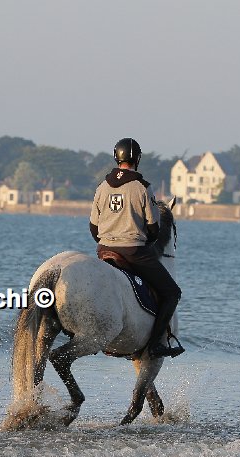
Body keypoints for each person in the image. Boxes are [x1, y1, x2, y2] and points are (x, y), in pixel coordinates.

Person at [89, 137, 184, 358]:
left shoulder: (102, 187)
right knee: (172, 292)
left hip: (104, 249)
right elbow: (153, 228)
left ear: (116, 157)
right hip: (133, 252)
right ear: (137, 159)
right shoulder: (142, 187)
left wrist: (106, 242)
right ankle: (156, 344)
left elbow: (93, 227)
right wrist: (145, 242)